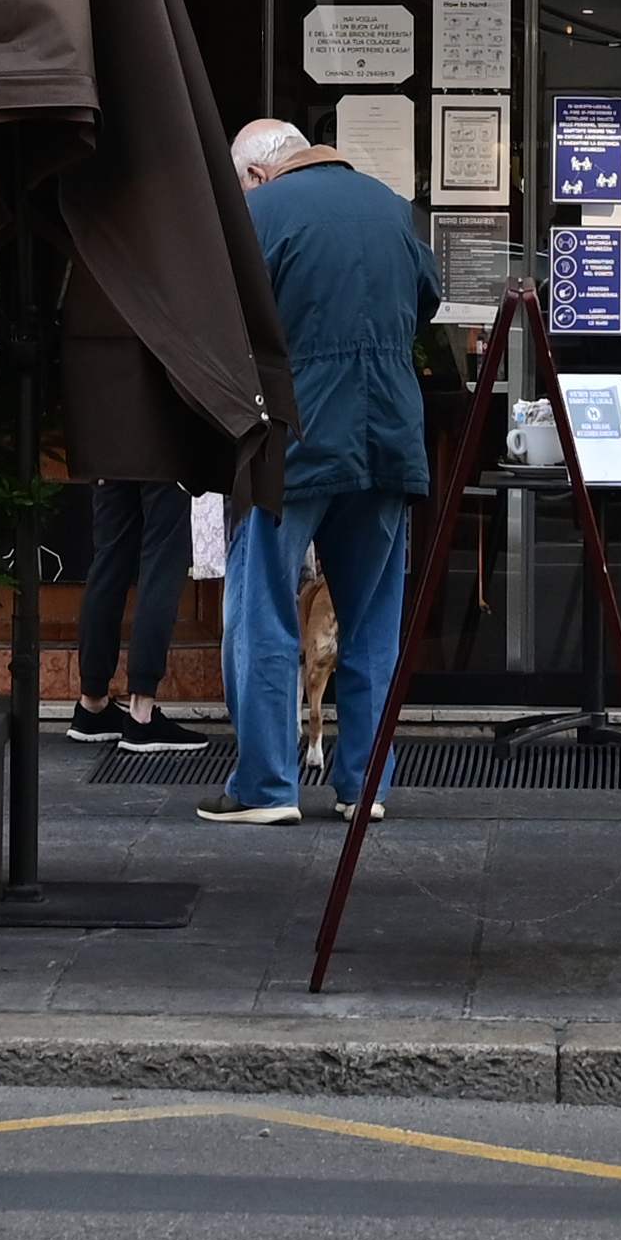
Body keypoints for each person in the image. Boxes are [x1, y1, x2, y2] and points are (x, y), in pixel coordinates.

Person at [214, 117, 435, 828]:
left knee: (266, 614)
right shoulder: (388, 205)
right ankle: (364, 785)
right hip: (389, 437)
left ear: (255, 174)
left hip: (293, 438)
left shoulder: (259, 212)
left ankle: (266, 787)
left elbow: (226, 323)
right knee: (371, 625)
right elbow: (426, 300)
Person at [63, 475, 201, 751]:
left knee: (108, 562)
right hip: (165, 448)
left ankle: (92, 703)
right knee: (162, 565)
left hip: (110, 447)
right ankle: (142, 711)